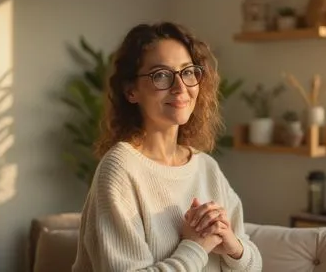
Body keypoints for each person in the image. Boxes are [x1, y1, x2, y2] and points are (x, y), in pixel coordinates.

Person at [72, 22, 263, 272]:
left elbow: (254, 265)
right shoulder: (119, 169)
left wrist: (232, 246)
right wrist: (195, 247)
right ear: (131, 91)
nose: (181, 87)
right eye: (161, 75)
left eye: (188, 72)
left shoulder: (206, 167)